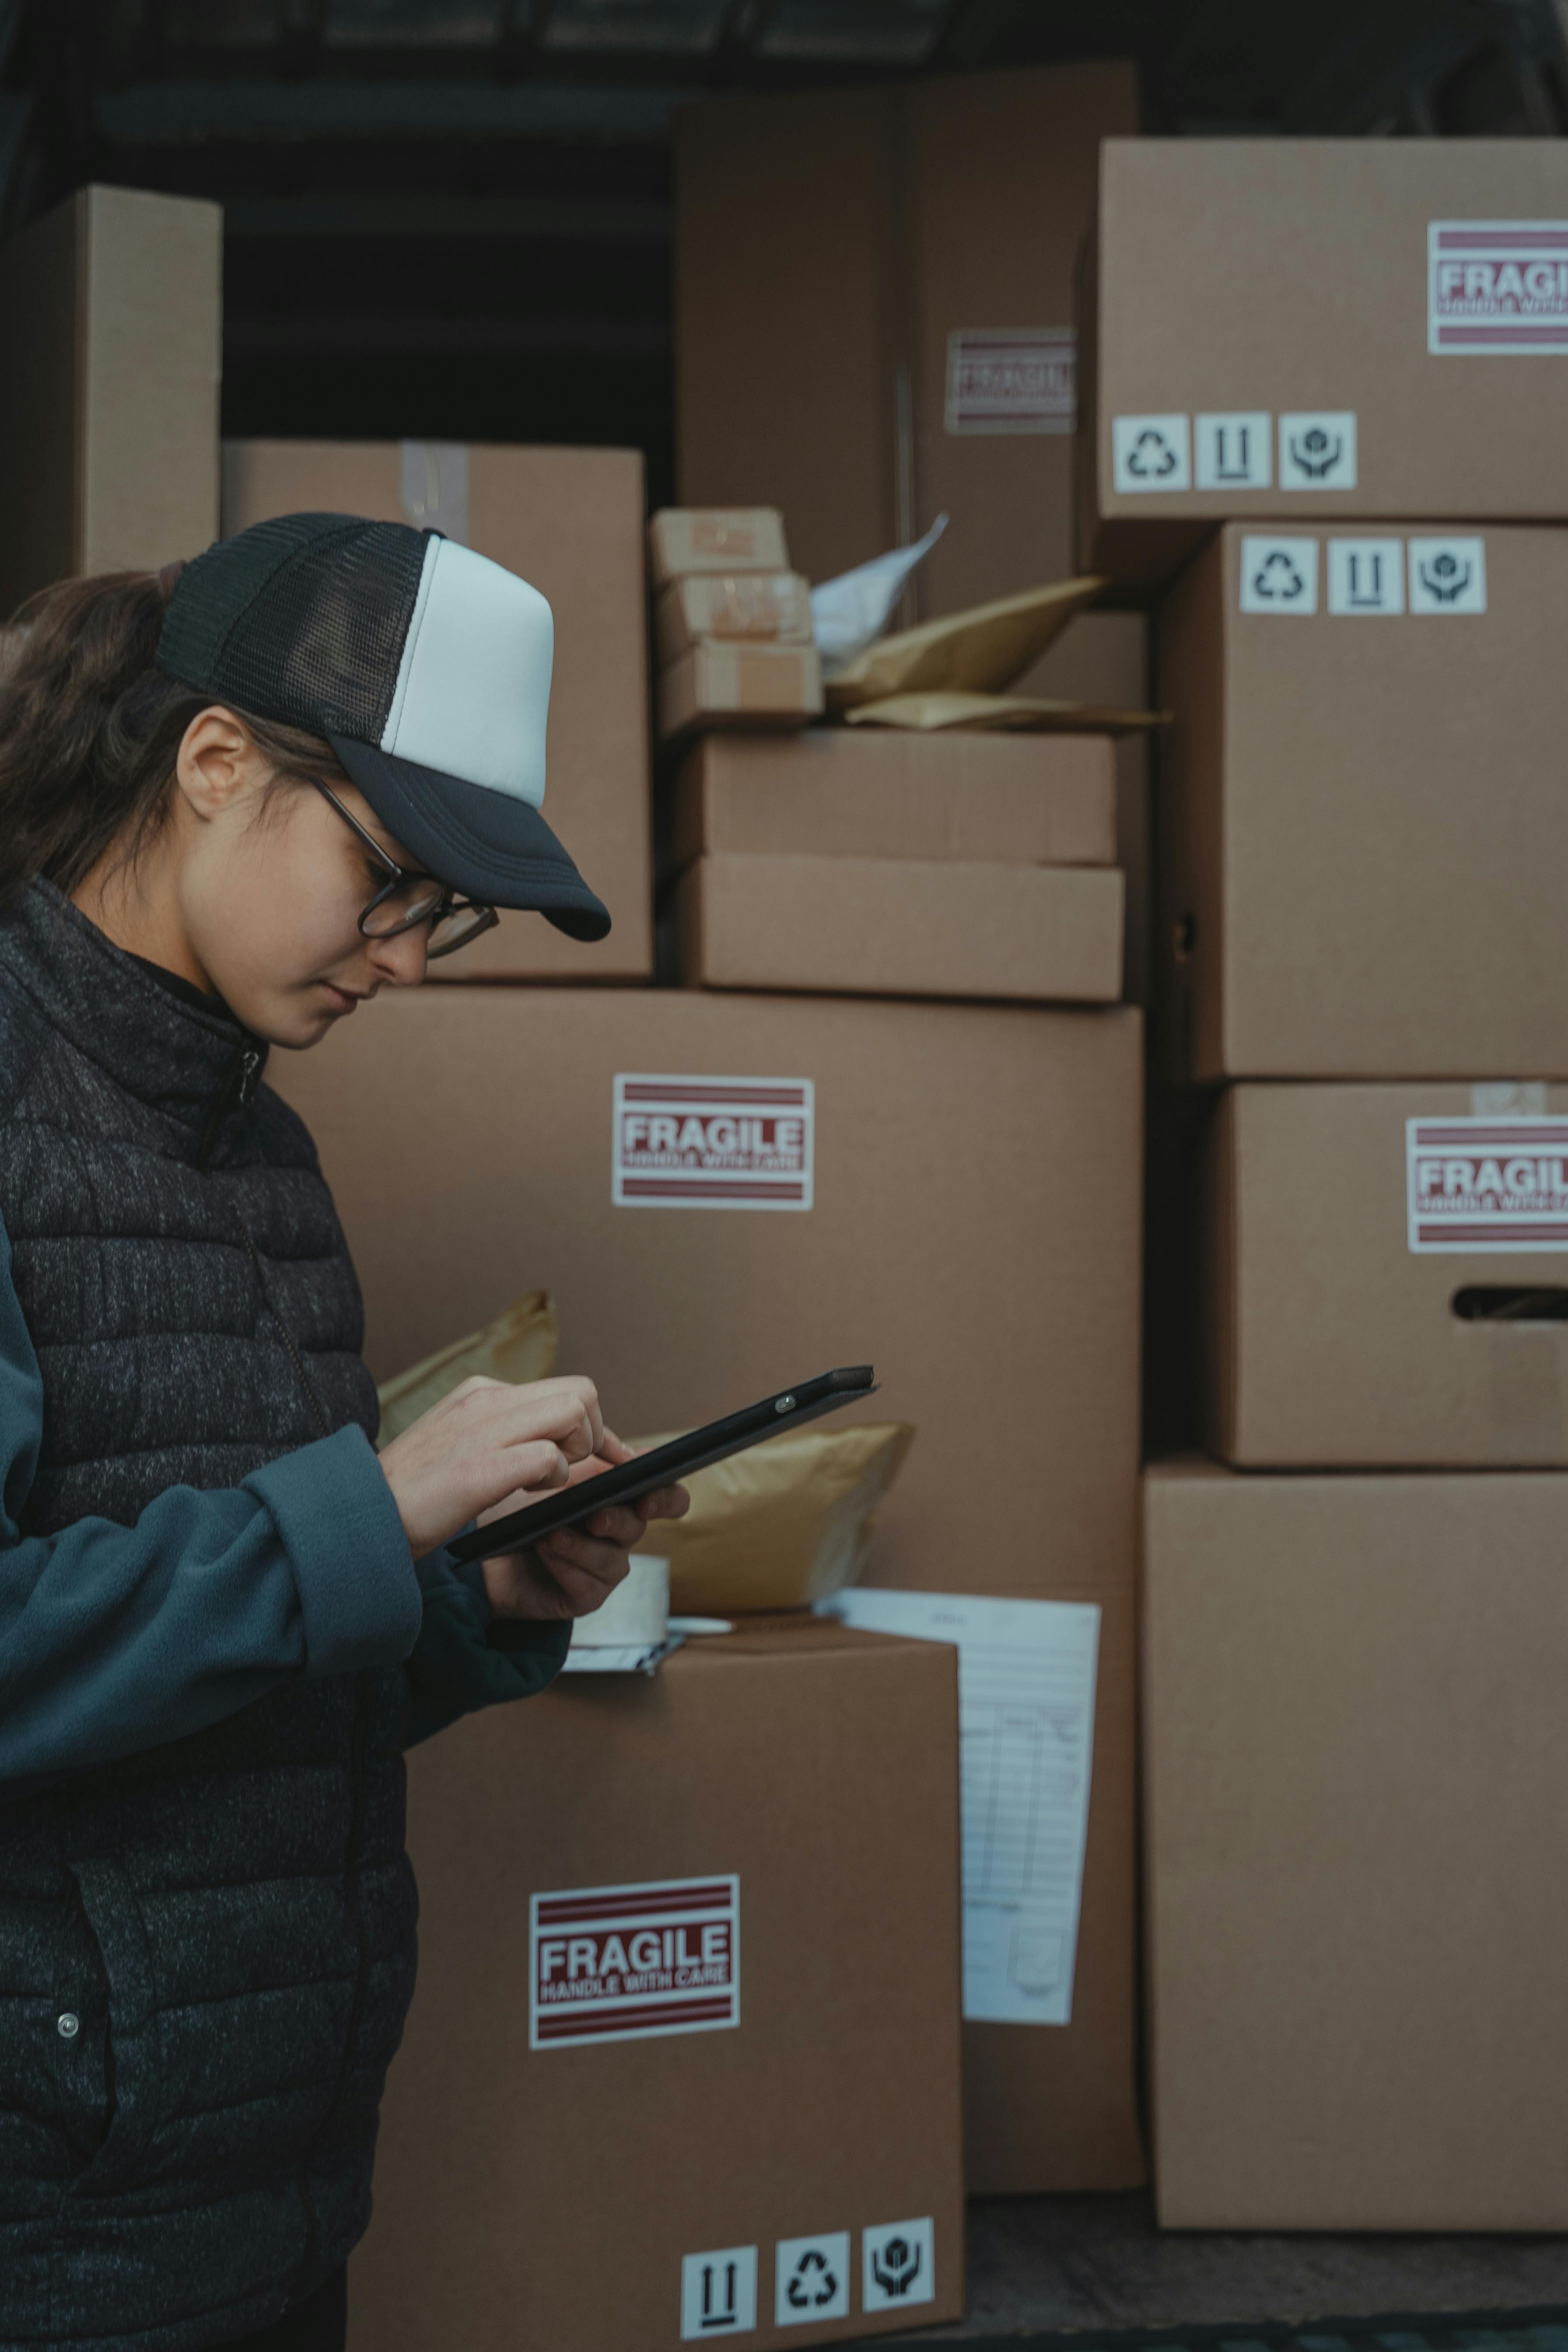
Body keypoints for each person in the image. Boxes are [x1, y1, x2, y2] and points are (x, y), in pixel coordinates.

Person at [0, 514, 687, 2352]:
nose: (408, 959)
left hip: (271, 2194)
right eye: (392, 880)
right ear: (213, 765)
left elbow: (264, 1677)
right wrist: (365, 1511)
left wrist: (488, 1597)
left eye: (441, 914)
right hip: (58, 2241)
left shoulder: (260, 1151)